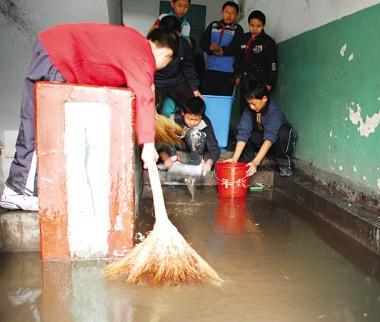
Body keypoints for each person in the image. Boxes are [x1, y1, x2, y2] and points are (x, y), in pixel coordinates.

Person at [0, 23, 178, 211]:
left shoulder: (133, 41)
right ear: (167, 53)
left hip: (52, 48)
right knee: (42, 127)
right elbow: (143, 96)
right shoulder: (143, 56)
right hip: (59, 56)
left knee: (36, 122)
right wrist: (148, 146)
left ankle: (28, 190)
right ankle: (18, 191)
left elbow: (138, 88)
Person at [226, 81, 296, 177]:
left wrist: (255, 162)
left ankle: (284, 164)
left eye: (253, 104)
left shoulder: (274, 112)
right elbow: (243, 132)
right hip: (262, 139)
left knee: (284, 132)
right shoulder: (249, 109)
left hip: (276, 143)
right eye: (249, 104)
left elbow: (270, 138)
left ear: (264, 98)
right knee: (241, 129)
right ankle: (246, 160)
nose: (251, 106)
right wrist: (234, 159)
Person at [158, 97, 219, 175]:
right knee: (168, 132)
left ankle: (196, 162)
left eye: (197, 119)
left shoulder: (205, 123)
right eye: (189, 119)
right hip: (176, 149)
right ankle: (174, 160)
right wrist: (165, 157)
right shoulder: (173, 119)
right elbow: (160, 141)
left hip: (195, 151)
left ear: (201, 116)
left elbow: (214, 148)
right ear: (183, 113)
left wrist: (209, 163)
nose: (193, 122)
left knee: (194, 133)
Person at [155, 16, 201, 117]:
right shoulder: (153, 44)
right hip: (157, 82)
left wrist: (195, 89)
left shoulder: (184, 45)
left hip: (177, 81)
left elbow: (189, 68)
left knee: (195, 106)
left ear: (179, 33)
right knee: (152, 109)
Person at [236, 10, 278, 113]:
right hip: (245, 81)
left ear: (263, 25)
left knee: (258, 110)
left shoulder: (268, 42)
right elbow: (238, 59)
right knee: (244, 108)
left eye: (258, 26)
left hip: (260, 84)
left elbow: (272, 64)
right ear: (248, 24)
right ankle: (244, 128)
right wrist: (237, 75)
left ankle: (257, 129)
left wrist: (269, 83)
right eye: (252, 25)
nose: (255, 28)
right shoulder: (244, 38)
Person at [200, 1, 243, 96]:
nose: (229, 15)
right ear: (222, 13)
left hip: (227, 72)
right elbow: (203, 41)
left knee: (223, 100)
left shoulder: (238, 29)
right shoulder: (213, 25)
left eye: (233, 13)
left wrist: (222, 51)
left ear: (236, 16)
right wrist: (209, 47)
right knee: (208, 99)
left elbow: (237, 48)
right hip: (210, 70)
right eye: (227, 12)